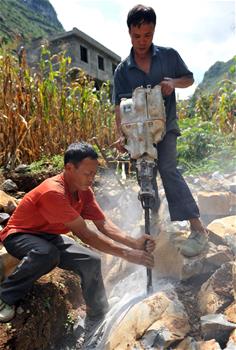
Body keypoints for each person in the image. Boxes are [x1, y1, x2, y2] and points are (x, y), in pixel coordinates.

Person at [0, 142, 155, 345]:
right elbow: (86, 235)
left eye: (94, 174)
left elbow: (103, 224)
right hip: (20, 235)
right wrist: (127, 254)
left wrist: (134, 243)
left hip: (49, 235)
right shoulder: (53, 192)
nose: (91, 179)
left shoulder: (84, 191)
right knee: (47, 254)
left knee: (91, 260)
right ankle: (6, 297)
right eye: (87, 174)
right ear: (69, 168)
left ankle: (97, 313)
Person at [113, 4, 208, 258]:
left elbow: (189, 78)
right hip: (138, 134)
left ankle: (198, 229)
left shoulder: (168, 56)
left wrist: (172, 83)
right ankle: (154, 225)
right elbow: (118, 107)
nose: (142, 41)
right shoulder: (123, 70)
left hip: (166, 128)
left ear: (153, 31)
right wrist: (122, 135)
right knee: (146, 177)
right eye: (137, 35)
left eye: (147, 35)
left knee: (167, 169)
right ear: (129, 33)